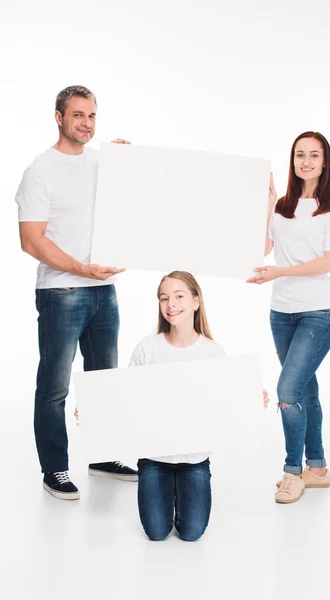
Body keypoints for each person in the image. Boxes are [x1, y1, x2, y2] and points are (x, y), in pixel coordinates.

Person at [15, 85, 138, 501]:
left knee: (104, 382)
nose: (86, 123)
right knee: (54, 387)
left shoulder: (102, 164)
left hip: (104, 292)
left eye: (92, 116)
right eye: (77, 115)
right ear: (58, 117)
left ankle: (104, 457)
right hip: (61, 292)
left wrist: (130, 160)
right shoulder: (40, 171)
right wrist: (82, 268)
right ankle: (55, 470)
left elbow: (139, 196)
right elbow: (31, 241)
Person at [128, 271, 269, 540]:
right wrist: (96, 410)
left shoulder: (213, 352)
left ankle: (179, 489)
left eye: (179, 296)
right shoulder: (147, 349)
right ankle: (163, 487)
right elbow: (127, 400)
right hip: (154, 460)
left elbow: (225, 404)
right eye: (164, 298)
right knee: (157, 533)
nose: (171, 304)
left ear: (196, 301)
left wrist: (250, 400)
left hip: (194, 461)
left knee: (192, 533)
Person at [247, 131, 330, 504]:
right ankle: (317, 468)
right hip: (282, 313)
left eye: (314, 155)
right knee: (305, 388)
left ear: (325, 162)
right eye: (299, 155)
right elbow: (263, 247)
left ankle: (293, 472)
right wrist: (268, 205)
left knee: (288, 393)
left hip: (318, 314)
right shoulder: (284, 206)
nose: (305, 161)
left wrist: (280, 273)